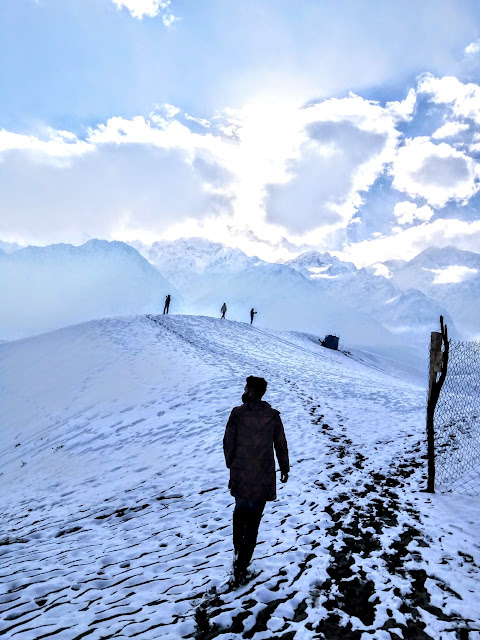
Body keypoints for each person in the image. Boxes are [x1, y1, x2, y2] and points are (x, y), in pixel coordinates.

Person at [223, 376, 289, 583]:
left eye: (246, 387)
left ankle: (237, 554)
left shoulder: (237, 414)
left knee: (239, 513)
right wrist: (284, 467)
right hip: (262, 475)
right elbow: (281, 444)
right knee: (253, 521)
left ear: (250, 390)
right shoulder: (272, 416)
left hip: (241, 473)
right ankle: (242, 564)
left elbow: (228, 442)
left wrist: (231, 464)